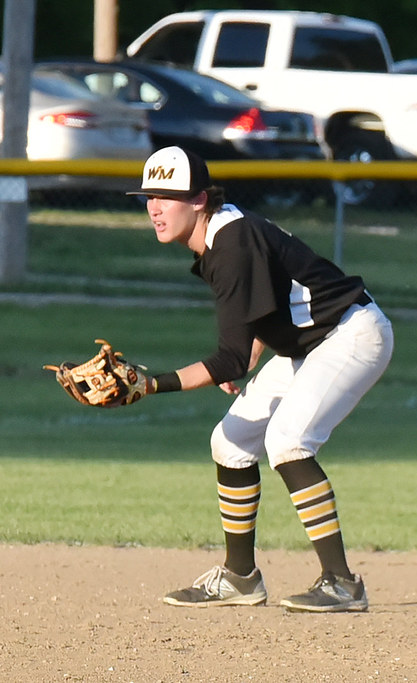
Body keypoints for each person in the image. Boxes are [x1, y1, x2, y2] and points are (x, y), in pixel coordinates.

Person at [125, 146, 394, 612]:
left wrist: (150, 384)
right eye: (149, 195)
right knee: (229, 443)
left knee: (289, 441)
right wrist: (249, 353)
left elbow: (227, 360)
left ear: (199, 199)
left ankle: (342, 582)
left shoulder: (229, 243)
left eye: (168, 196)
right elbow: (266, 303)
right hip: (309, 344)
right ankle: (240, 577)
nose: (155, 207)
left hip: (351, 333)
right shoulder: (222, 232)